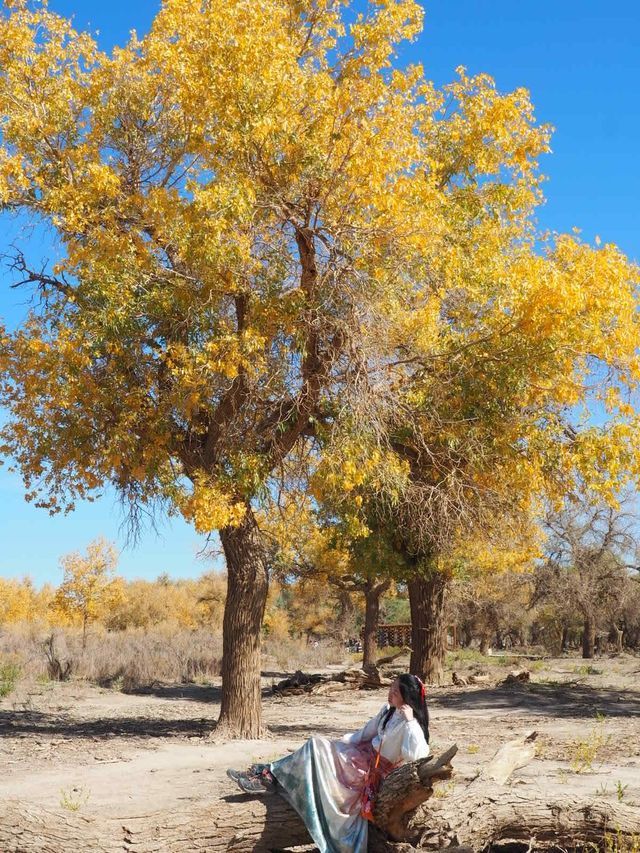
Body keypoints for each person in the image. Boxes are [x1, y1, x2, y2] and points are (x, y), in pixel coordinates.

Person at [227, 674, 430, 853]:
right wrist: (338, 743)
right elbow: (364, 734)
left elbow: (417, 755)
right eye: (391, 688)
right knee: (317, 746)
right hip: (360, 755)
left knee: (315, 747)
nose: (390, 693)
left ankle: (267, 776)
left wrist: (411, 721)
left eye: (395, 691)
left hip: (370, 771)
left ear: (407, 696)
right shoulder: (387, 711)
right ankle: (268, 775)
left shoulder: (410, 724)